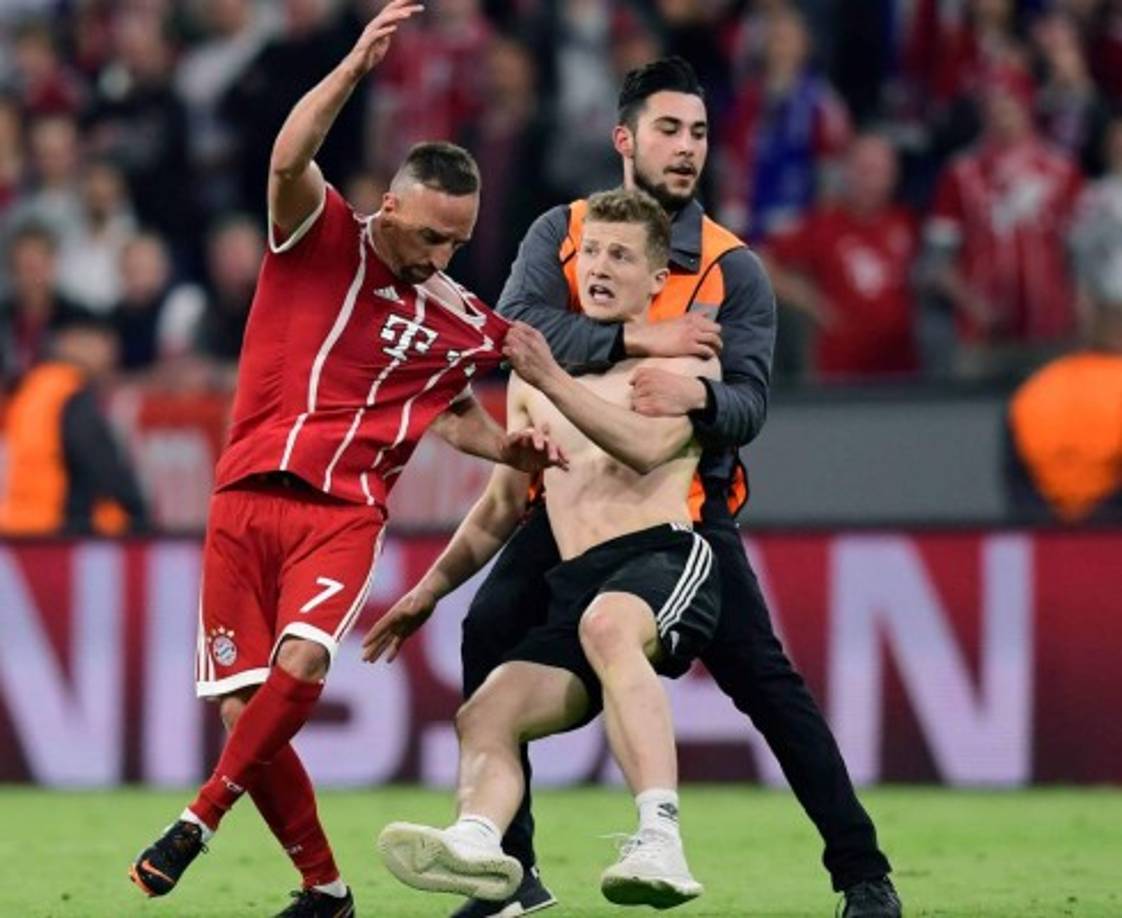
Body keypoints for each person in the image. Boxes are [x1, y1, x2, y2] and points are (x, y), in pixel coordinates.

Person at [421, 56, 900, 918]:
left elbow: (749, 403)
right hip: (567, 492)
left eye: (699, 133)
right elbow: (520, 333)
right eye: (669, 130)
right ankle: (510, 877)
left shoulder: (732, 266)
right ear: (624, 139)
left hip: (685, 506)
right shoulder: (560, 232)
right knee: (488, 627)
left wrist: (703, 393)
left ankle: (864, 876)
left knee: (767, 688)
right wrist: (648, 341)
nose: (686, 149)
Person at [127, 4, 564, 916]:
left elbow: (450, 411)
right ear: (390, 204)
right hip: (241, 495)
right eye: (430, 235)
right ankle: (325, 892)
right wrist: (353, 70)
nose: (442, 255)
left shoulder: (458, 315)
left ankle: (198, 819)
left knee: (304, 661)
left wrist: (507, 443)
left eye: (458, 239)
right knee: (243, 713)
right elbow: (287, 158)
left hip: (341, 511)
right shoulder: (316, 234)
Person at [368, 189, 721, 909]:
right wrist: (425, 593)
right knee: (485, 714)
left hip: (661, 556)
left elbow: (649, 451)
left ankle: (661, 838)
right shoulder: (535, 388)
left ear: (658, 278)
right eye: (590, 250)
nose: (598, 265)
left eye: (620, 255)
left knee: (607, 627)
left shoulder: (683, 367)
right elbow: (503, 505)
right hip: (578, 584)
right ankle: (478, 843)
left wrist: (551, 376)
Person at [0, 311, 148, 535]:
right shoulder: (69, 391)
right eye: (102, 341)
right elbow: (97, 461)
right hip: (55, 534)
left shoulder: (33, 387)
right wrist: (135, 510)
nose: (110, 352)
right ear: (71, 343)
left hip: (19, 529)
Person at [1005, 252, 1122, 523]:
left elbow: (1019, 487)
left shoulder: (1035, 390)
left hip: (1048, 541)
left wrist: (1057, 531)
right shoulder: (1037, 390)